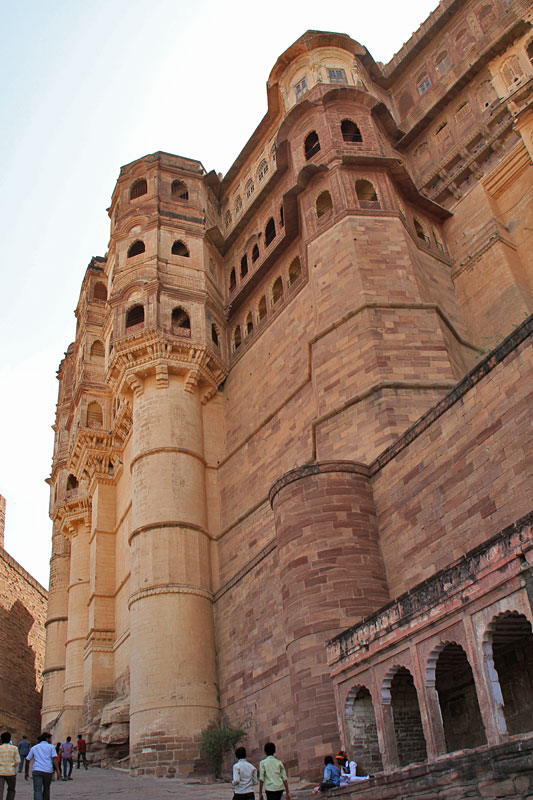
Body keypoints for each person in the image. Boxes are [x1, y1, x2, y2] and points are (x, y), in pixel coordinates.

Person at [24, 732, 60, 800]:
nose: (51, 740)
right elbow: (54, 759)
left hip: (37, 770)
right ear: (47, 739)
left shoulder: (34, 747)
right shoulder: (51, 747)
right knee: (46, 789)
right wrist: (58, 770)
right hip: (48, 771)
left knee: (37, 790)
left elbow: (27, 759)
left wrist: (26, 772)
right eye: (50, 738)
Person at [0, 731, 20, 800]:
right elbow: (18, 761)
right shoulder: (14, 748)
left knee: (0, 790)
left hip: (0, 771)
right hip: (10, 772)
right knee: (11, 789)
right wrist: (12, 766)